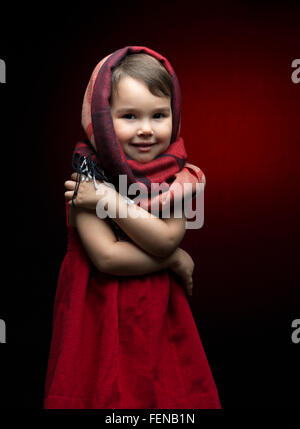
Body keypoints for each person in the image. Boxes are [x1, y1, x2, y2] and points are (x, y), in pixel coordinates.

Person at [44, 46, 221, 409]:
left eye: (159, 115)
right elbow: (107, 257)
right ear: (103, 120)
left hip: (157, 313)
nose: (145, 129)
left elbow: (167, 239)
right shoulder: (87, 176)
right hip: (96, 315)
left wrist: (108, 202)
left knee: (164, 395)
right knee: (100, 393)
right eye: (128, 116)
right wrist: (174, 261)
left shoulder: (178, 179)